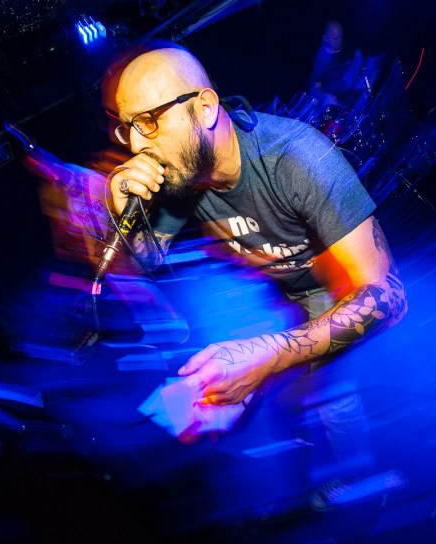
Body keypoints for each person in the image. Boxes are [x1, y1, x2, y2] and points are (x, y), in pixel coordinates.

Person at [101, 44, 408, 509]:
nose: (137, 145)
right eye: (128, 127)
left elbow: (389, 297)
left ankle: (362, 480)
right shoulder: (185, 170)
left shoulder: (297, 157)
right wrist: (122, 210)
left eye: (148, 121)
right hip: (283, 290)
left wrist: (269, 355)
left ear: (205, 108)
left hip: (336, 290)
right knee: (274, 385)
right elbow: (147, 257)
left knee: (329, 391)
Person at [306, 20, 365, 109]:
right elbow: (314, 89)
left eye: (341, 37)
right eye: (335, 38)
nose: (339, 40)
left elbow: (362, 65)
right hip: (337, 106)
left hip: (356, 98)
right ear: (325, 38)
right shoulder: (321, 60)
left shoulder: (351, 47)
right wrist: (326, 97)